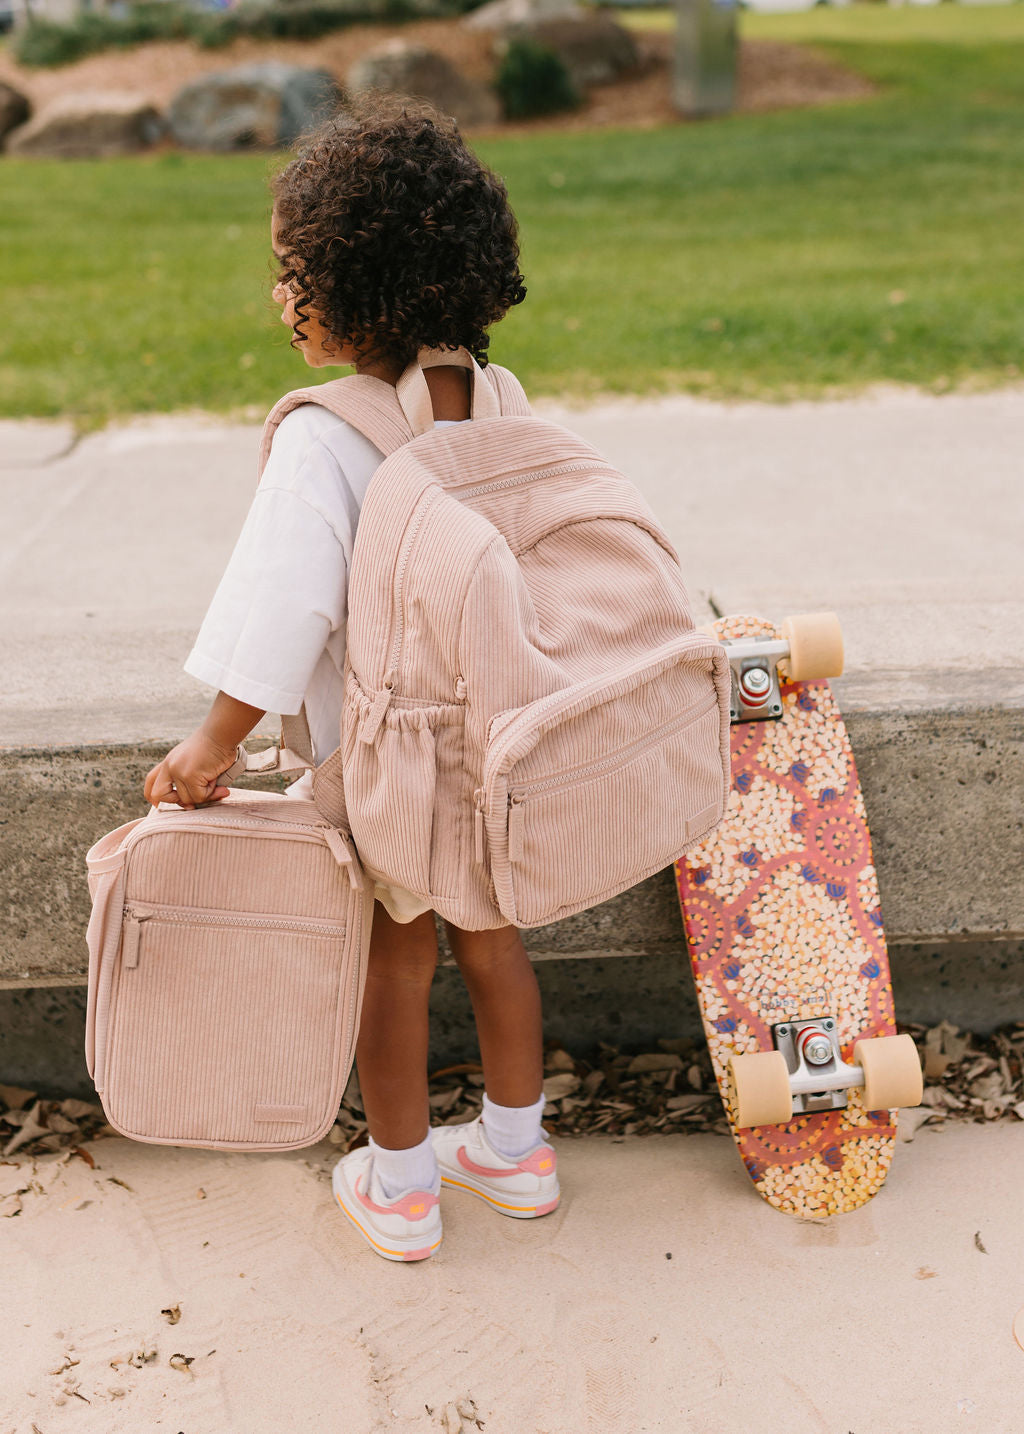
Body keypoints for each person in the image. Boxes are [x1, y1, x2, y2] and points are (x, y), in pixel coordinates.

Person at [143, 100, 559, 1262]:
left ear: (353, 287)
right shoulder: (498, 396)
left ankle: (404, 1184)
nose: (280, 298)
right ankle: (517, 1152)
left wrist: (211, 745)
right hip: (504, 736)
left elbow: (283, 609)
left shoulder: (327, 438)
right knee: (495, 941)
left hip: (395, 761)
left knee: (396, 955)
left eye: (294, 274)